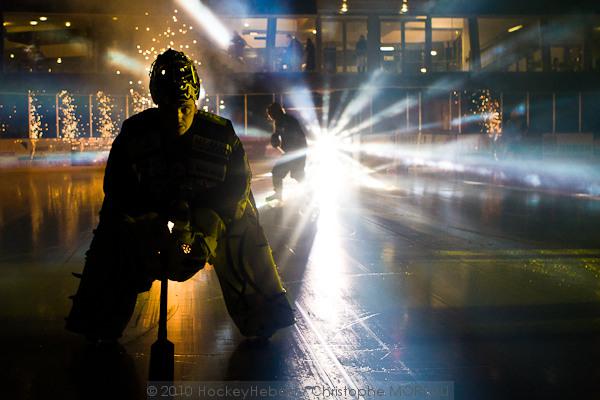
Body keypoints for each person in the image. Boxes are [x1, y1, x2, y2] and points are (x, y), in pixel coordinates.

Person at [65, 49, 294, 344]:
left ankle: (262, 314)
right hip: (149, 220)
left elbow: (238, 190)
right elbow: (117, 188)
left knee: (244, 226)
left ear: (195, 101)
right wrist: (149, 219)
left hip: (207, 220)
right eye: (168, 107)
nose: (177, 116)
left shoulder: (221, 134)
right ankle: (98, 317)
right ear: (157, 102)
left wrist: (205, 224)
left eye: (184, 107)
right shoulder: (134, 133)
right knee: (114, 228)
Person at [265, 102, 307, 202]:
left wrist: (275, 138)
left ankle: (309, 192)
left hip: (295, 152)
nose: (269, 116)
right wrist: (276, 138)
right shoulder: (282, 120)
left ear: (275, 112)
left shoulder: (284, 120)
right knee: (294, 174)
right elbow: (279, 134)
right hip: (295, 151)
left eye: (270, 113)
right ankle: (309, 192)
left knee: (288, 173)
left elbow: (285, 134)